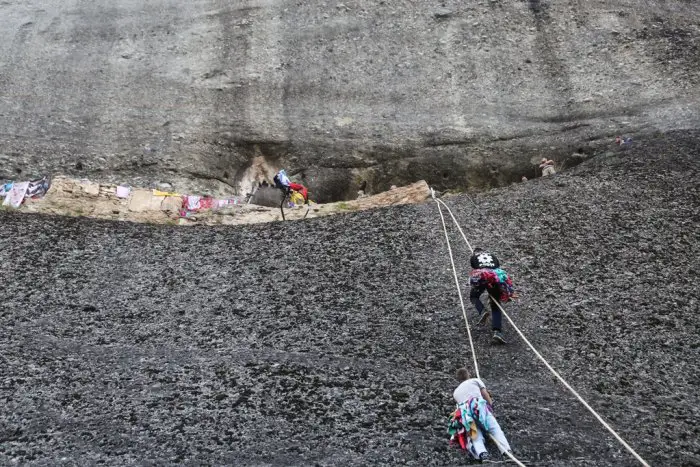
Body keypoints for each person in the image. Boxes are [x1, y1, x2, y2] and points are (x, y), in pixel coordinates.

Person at [448, 368, 512, 462]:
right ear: (468, 375)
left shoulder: (455, 392)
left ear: (458, 379)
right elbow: (485, 394)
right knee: (494, 428)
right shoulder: (475, 380)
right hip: (479, 407)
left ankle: (483, 455)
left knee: (475, 433)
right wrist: (490, 407)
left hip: (465, 414)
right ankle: (507, 453)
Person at [468, 249, 515, 344]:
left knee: (474, 296)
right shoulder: (492, 255)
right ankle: (497, 332)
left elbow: (474, 267)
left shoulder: (474, 257)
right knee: (495, 304)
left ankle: (482, 311)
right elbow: (497, 265)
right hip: (495, 276)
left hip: (482, 276)